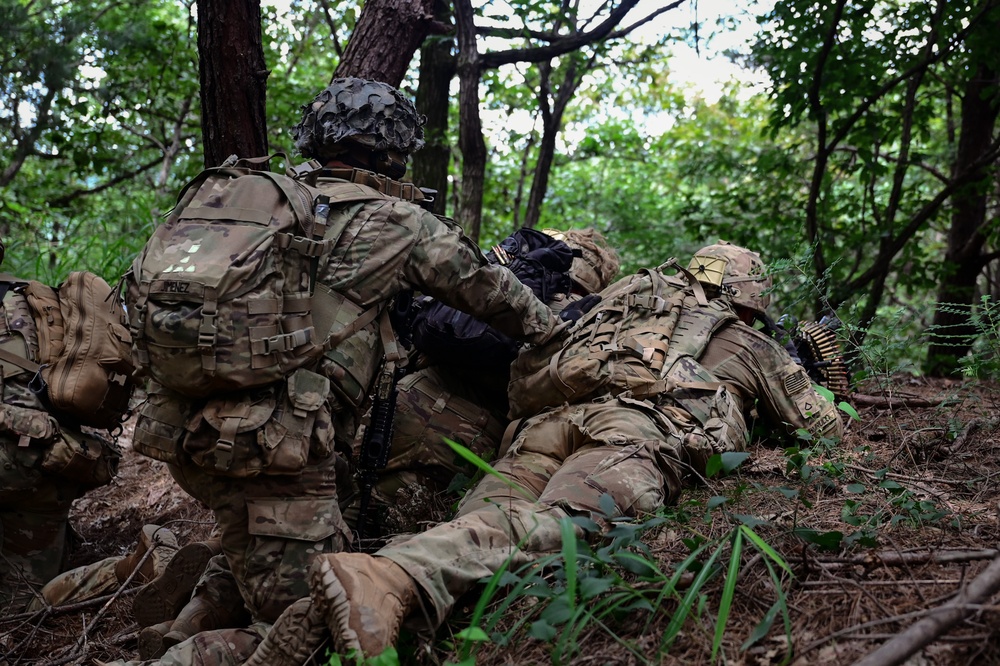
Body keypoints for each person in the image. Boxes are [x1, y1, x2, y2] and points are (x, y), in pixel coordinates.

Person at [118, 77, 565, 664]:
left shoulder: (269, 205)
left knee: (270, 530)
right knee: (314, 619)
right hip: (275, 442)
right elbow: (494, 292)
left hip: (187, 426)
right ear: (393, 149)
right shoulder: (398, 221)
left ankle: (191, 622)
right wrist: (559, 332)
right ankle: (190, 653)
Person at [244, 241, 847, 664]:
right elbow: (824, 429)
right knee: (568, 528)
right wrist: (829, 383)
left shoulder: (611, 308)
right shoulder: (743, 339)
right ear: (744, 300)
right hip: (631, 433)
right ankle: (390, 572)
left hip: (541, 427)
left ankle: (263, 638)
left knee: (485, 532)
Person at [349, 227, 620, 540]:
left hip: (399, 410)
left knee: (341, 518)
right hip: (464, 448)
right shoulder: (584, 322)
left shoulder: (499, 283)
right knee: (381, 540)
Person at [0, 241, 135, 613]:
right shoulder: (35, 297)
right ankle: (132, 568)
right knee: (20, 606)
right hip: (52, 465)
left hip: (7, 465)